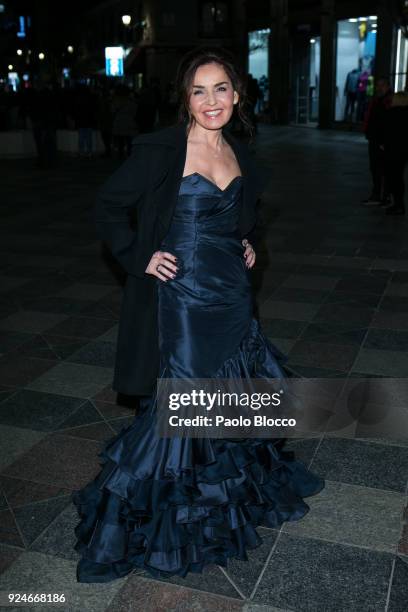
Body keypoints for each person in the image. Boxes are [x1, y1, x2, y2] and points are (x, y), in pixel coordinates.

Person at [72, 46, 324, 582]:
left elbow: (243, 215)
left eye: (222, 89)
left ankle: (213, 509)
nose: (212, 101)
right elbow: (109, 207)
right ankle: (141, 524)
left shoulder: (240, 151)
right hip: (182, 300)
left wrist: (250, 241)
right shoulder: (162, 151)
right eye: (199, 90)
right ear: (185, 98)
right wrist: (141, 255)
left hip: (232, 295)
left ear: (238, 93)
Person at [361, 77, 393, 206]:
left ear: (388, 86)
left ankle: (384, 196)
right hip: (374, 140)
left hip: (382, 142)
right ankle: (378, 195)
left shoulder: (388, 101)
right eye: (378, 85)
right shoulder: (378, 100)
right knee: (375, 169)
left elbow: (388, 124)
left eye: (382, 85)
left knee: (383, 170)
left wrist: (384, 141)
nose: (379, 88)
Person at [383, 91, 408, 215]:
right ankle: (399, 204)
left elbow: (386, 132)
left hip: (393, 150)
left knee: (393, 177)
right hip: (404, 150)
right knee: (399, 177)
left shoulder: (391, 113)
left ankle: (397, 204)